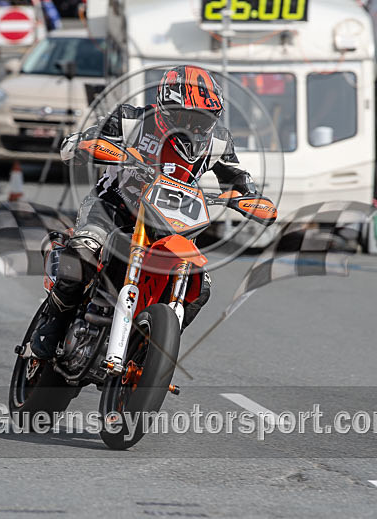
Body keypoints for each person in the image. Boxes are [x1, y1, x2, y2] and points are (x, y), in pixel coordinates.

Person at [26, 65, 276, 359]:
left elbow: (237, 178)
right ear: (164, 107)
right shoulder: (132, 120)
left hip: (170, 223)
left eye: (203, 117)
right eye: (186, 116)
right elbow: (78, 142)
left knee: (201, 287)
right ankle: (53, 322)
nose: (194, 124)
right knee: (84, 251)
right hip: (113, 207)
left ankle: (150, 352)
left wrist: (248, 198)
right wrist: (87, 145)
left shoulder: (218, 142)